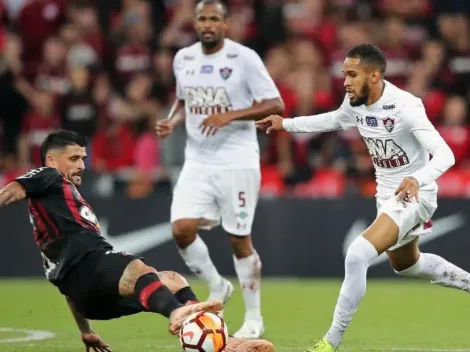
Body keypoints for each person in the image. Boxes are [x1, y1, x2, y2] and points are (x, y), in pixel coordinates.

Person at [256, 44, 470, 352]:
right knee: (408, 265)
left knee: (357, 255)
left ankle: (330, 342)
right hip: (387, 195)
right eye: (344, 74)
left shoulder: (406, 107)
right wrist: (285, 124)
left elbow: (445, 154)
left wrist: (417, 178)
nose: (344, 81)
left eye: (352, 74)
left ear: (374, 75)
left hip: (415, 193)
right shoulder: (354, 102)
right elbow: (332, 120)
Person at [0, 130, 274, 352]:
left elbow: (68, 287)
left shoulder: (55, 216)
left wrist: (86, 331)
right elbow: (12, 190)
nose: (82, 165)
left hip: (88, 298)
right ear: (51, 160)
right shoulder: (47, 176)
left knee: (173, 280)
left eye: (83, 158)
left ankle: (218, 342)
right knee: (137, 270)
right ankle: (180, 315)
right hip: (91, 269)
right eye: (73, 159)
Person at [156, 0, 284, 339]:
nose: (207, 24)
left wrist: (230, 115)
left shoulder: (244, 58)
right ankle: (217, 285)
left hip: (236, 159)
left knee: (238, 239)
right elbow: (184, 99)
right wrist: (173, 120)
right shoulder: (183, 58)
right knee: (181, 229)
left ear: (227, 23)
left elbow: (275, 104)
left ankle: (254, 317)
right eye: (202, 19)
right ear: (194, 23)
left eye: (214, 18)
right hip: (197, 159)